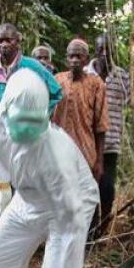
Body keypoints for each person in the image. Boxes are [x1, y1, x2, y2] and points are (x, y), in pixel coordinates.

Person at [0, 69, 99, 268]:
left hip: (67, 205)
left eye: (35, 123)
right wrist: (3, 186)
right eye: (21, 121)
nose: (27, 131)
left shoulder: (56, 157)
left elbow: (72, 226)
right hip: (27, 198)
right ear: (6, 111)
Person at [0, 23, 62, 229]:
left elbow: (56, 92)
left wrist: (36, 117)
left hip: (23, 143)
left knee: (23, 194)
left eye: (9, 40)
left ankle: (23, 243)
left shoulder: (31, 66)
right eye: (1, 40)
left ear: (18, 41)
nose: (5, 44)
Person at [86, 34, 131, 239]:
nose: (104, 53)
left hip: (111, 143)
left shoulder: (122, 77)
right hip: (87, 144)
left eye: (108, 49)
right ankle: (91, 230)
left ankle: (103, 226)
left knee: (107, 187)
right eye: (100, 49)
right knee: (88, 188)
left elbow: (132, 102)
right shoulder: (85, 74)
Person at [52, 38, 108, 182]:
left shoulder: (96, 84)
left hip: (86, 153)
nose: (75, 60)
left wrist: (100, 161)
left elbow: (101, 125)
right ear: (66, 59)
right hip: (59, 153)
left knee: (87, 197)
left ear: (86, 59)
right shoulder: (57, 81)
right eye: (71, 56)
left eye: (79, 56)